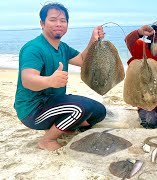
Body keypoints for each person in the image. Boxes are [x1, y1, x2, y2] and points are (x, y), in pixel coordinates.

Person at [14, 2, 107, 151]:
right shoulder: (33, 48)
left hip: (52, 102)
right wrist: (49, 81)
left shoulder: (63, 47)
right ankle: (47, 139)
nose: (58, 24)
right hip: (33, 110)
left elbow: (83, 60)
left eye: (63, 21)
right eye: (53, 20)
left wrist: (93, 39)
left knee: (99, 112)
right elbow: (27, 80)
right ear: (42, 23)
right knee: (80, 109)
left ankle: (64, 125)